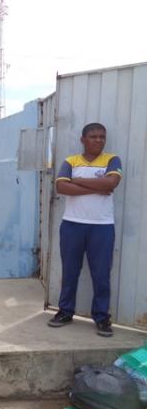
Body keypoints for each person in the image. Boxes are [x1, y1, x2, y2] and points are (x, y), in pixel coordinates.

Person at [48, 123, 122, 337]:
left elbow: (111, 184)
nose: (98, 140)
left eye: (102, 137)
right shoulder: (71, 161)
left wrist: (78, 181)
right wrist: (98, 186)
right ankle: (65, 311)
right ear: (83, 139)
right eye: (93, 137)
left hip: (102, 227)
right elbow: (61, 187)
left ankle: (101, 317)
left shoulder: (112, 160)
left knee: (101, 275)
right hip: (72, 224)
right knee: (70, 271)